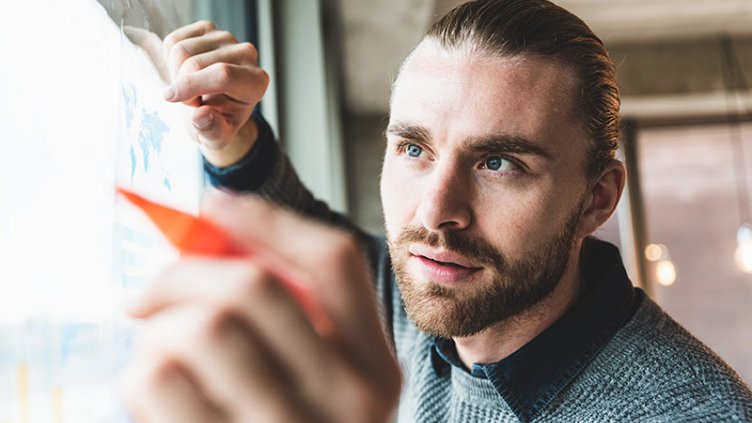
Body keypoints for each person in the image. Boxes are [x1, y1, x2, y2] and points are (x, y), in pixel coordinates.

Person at [122, 1, 752, 421]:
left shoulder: (691, 413)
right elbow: (317, 239)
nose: (437, 210)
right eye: (414, 148)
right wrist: (232, 137)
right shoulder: (428, 302)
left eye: (498, 163)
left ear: (597, 200)